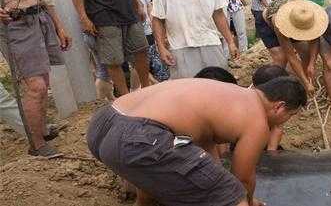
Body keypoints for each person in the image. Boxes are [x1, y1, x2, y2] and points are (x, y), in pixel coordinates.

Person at [86, 75, 307, 206]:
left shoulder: (230, 95)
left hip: (104, 126)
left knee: (160, 174)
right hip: (139, 139)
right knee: (233, 194)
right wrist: (246, 201)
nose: (285, 121)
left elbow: (205, 159)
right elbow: (243, 178)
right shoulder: (257, 120)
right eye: (290, 115)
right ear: (279, 106)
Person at [0, 0, 73, 157]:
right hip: (15, 26)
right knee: (35, 86)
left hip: (39, 19)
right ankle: (37, 145)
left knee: (44, 80)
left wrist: (59, 25)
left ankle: (40, 128)